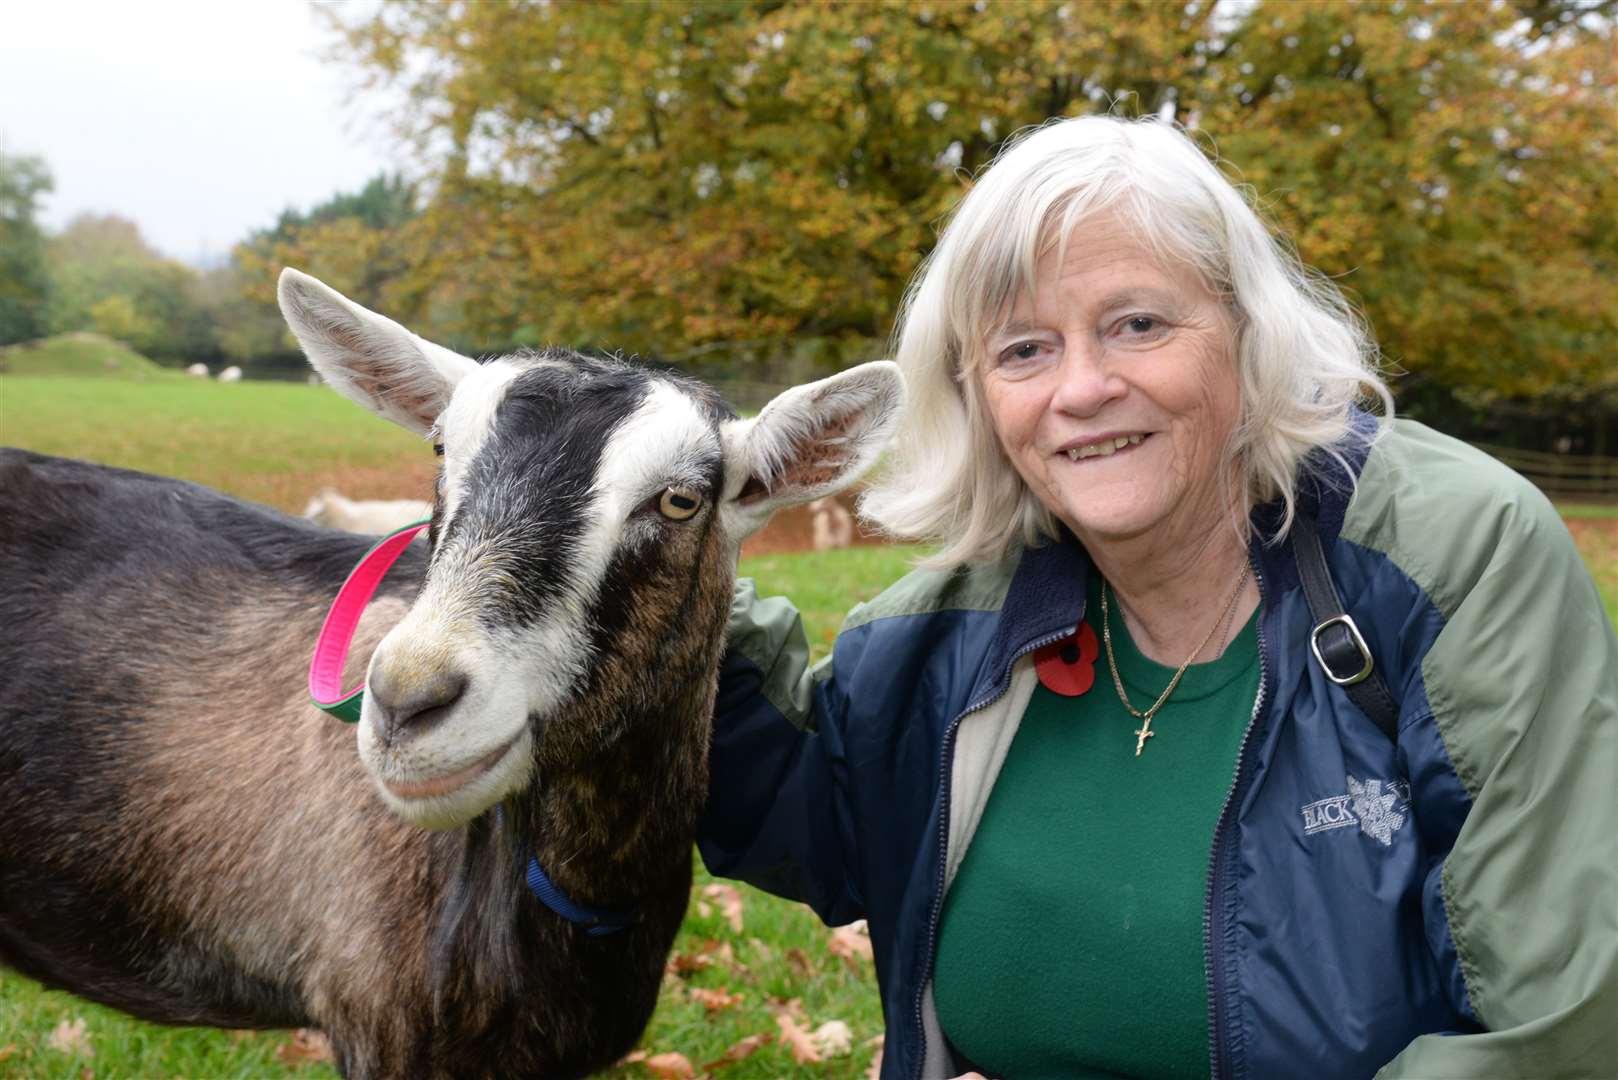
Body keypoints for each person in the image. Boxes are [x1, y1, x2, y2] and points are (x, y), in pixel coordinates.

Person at [698, 115, 1618, 1079]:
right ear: (975, 396)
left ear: (1247, 332)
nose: (1082, 388)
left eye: (1137, 324)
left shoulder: (1452, 559)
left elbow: (1559, 1033)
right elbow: (806, 806)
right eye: (1023, 350)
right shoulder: (948, 637)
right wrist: (642, 560)